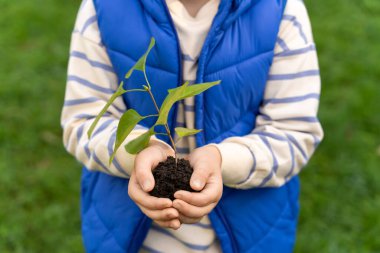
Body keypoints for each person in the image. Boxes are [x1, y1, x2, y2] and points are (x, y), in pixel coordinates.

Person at [61, 0, 323, 252]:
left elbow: (294, 133)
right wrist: (140, 152)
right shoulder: (103, 8)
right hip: (130, 234)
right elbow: (84, 121)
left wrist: (223, 160)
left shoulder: (280, 11)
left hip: (248, 233)